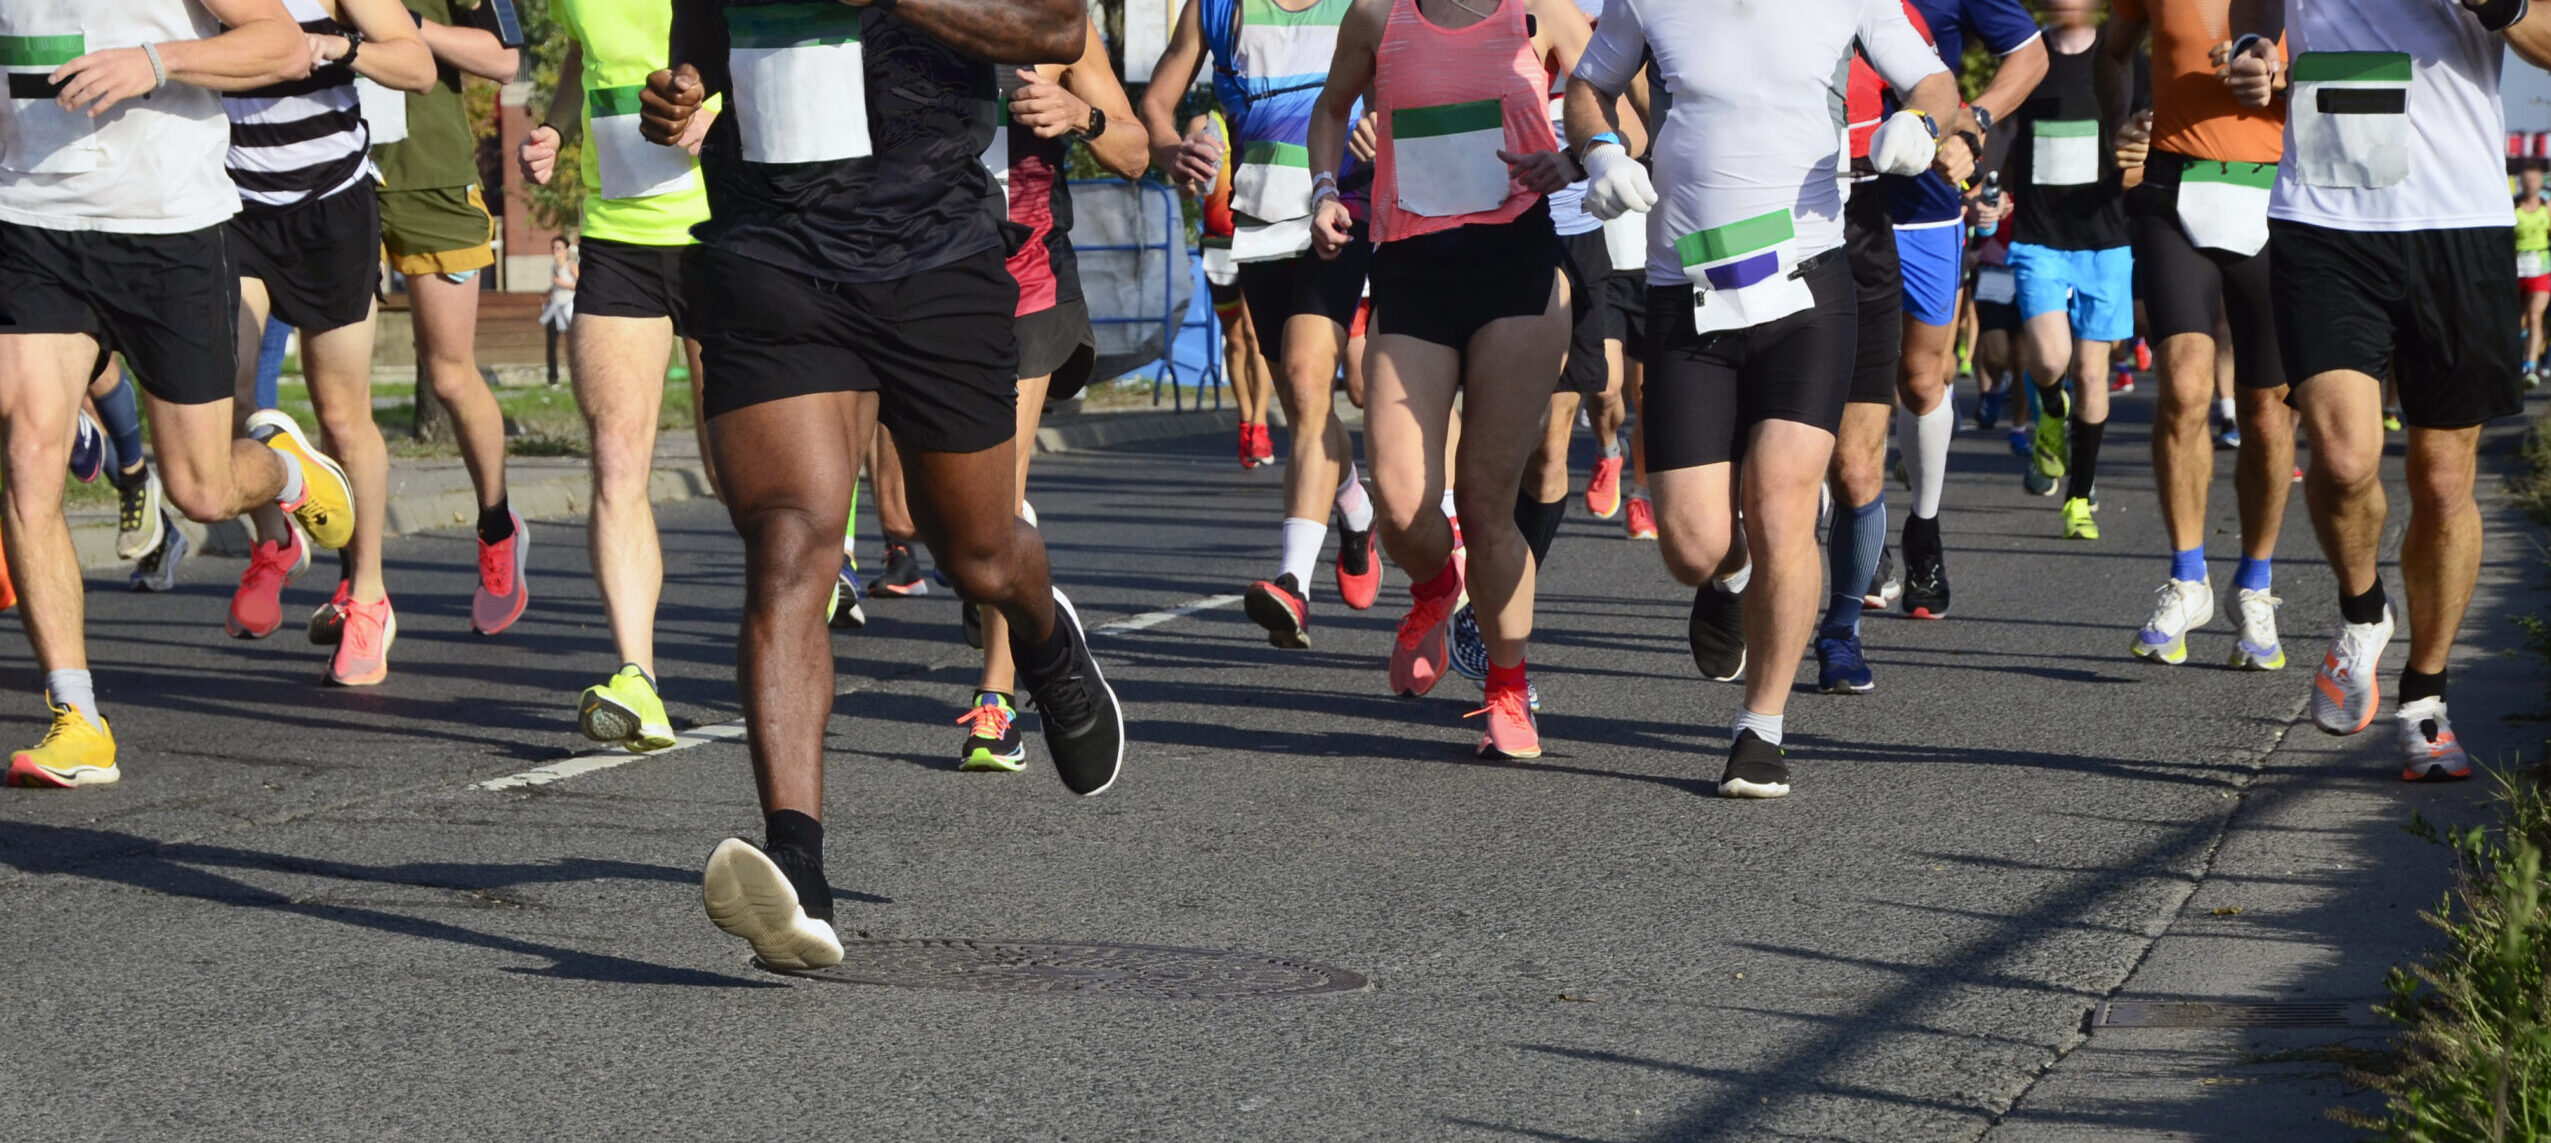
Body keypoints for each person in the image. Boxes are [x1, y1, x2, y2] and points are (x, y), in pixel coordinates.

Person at [642, 0, 1123, 968]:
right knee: (790, 542)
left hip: (933, 256)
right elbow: (699, 42)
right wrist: (684, 91)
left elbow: (1057, 27)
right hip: (771, 252)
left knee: (976, 551)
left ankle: (1040, 631)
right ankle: (798, 872)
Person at [1568, 0, 1973, 795]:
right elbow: (1587, 84)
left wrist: (1922, 125)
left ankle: (1761, 727)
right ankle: (1730, 578)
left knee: (1782, 502)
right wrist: (1602, 151)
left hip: (1807, 283)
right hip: (1685, 287)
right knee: (1691, 544)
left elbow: (1933, 81)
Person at [1, 0, 358, 787]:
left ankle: (286, 468)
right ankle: (78, 717)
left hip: (168, 230)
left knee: (201, 489)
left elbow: (283, 44)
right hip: (30, 224)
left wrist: (155, 62)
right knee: (29, 458)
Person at [2225, 0, 2551, 780]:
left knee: (2442, 484)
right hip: (2324, 215)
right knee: (2340, 460)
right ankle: (2363, 610)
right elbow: (2258, 6)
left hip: (2458, 219)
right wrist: (2250, 46)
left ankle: (2424, 701)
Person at [1307, 0, 1591, 758]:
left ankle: (1506, 684)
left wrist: (1576, 157)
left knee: (1485, 499)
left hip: (1516, 269)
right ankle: (1436, 585)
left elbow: (1611, 102)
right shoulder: (1376, 17)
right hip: (1411, 271)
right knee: (1400, 503)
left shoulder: (1541, 13)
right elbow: (1331, 109)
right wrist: (1324, 192)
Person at [520, 0, 732, 750]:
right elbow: (586, 59)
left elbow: (785, 42)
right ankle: (636, 676)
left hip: (724, 230)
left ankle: (804, 600)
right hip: (616, 236)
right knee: (616, 452)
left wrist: (725, 108)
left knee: (734, 461)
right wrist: (554, 125)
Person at [1143, 0, 1381, 651]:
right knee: (1300, 402)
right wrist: (1174, 152)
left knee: (1308, 382)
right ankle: (1355, 510)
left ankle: (1293, 584)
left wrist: (1383, 122)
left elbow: (1411, 80)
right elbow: (1158, 104)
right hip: (1259, 215)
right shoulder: (1216, 7)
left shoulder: (1363, 5)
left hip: (1342, 204)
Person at [957, 17, 1148, 772]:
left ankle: (996, 701)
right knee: (921, 509)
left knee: (996, 492)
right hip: (918, 282)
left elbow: (1133, 151)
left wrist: (1080, 115)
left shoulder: (1055, 21)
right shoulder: (902, 18)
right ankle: (993, 582)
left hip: (1027, 285)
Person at [222, 0, 430, 686]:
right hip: (236, 206)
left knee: (342, 415)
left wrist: (339, 49)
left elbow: (418, 65)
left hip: (331, 208)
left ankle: (367, 593)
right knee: (227, 398)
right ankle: (275, 540)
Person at [1448, 0, 1649, 694]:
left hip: (1572, 229)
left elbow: (1641, 127)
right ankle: (1471, 578)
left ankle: (1497, 613)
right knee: (1499, 435)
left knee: (1552, 444)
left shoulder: (1596, 12)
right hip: (1476, 227)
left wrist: (1576, 160)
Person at [2103, 0, 2295, 670]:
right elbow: (2111, 49)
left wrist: (2281, 82)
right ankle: (2187, 579)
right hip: (2171, 189)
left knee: (2267, 411)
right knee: (2183, 387)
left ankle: (2255, 583)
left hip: (2274, 197)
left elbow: (2344, 79)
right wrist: (2120, 125)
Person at [1888, 0, 2048, 620]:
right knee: (1843, 372)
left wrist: (1974, 122)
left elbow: (2029, 54)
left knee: (1923, 378)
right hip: (1827, 195)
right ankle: (1859, 519)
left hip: (1925, 203)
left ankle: (1923, 531)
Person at [378, 0, 526, 638]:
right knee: (338, 394)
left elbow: (503, 59)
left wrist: (412, 28)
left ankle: (497, 524)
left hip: (428, 181)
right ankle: (359, 588)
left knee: (448, 375)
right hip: (332, 178)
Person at [2002, 0, 2135, 542]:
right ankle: (2049, 413)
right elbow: (2005, 134)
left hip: (2106, 238)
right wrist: (1993, 190)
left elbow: (2144, 133)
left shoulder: (2121, 55)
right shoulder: (2027, 57)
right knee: (2052, 358)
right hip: (2039, 237)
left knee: (2093, 372)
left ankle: (2079, 496)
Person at [1189, 109, 1278, 470]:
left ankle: (1260, 424)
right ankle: (1245, 419)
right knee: (1236, 339)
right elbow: (1184, 178)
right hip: (1218, 245)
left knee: (1256, 336)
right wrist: (1190, 178)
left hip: (1257, 238)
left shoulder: (1262, 113)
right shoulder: (1202, 124)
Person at [2516, 161, 2549, 383]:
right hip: (2517, 270)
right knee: (2520, 320)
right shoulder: (2513, 207)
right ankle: (2515, 359)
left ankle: (2530, 367)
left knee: (2536, 316)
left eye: (2535, 180)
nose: (2531, 185)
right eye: (2527, 181)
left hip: (2541, 268)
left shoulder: (2546, 207)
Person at [539, 235, 575, 386]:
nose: (556, 251)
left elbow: (581, 285)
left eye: (559, 248)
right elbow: (555, 286)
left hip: (569, 306)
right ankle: (553, 379)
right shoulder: (553, 267)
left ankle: (575, 376)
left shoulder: (571, 266)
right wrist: (547, 293)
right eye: (553, 248)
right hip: (555, 306)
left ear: (566, 250)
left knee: (572, 343)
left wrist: (564, 284)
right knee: (552, 342)